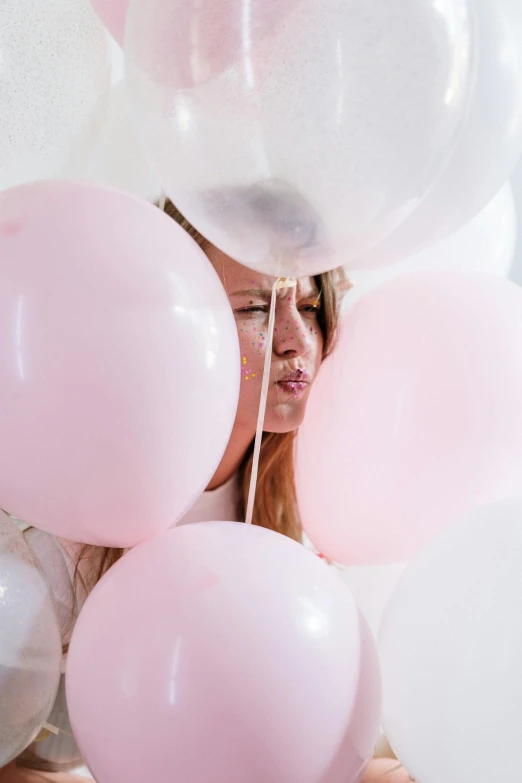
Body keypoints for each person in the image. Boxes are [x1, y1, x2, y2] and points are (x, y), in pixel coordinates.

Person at [1, 201, 413, 783]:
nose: (296, 342)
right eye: (254, 308)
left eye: (310, 306)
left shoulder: (291, 492)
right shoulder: (73, 515)